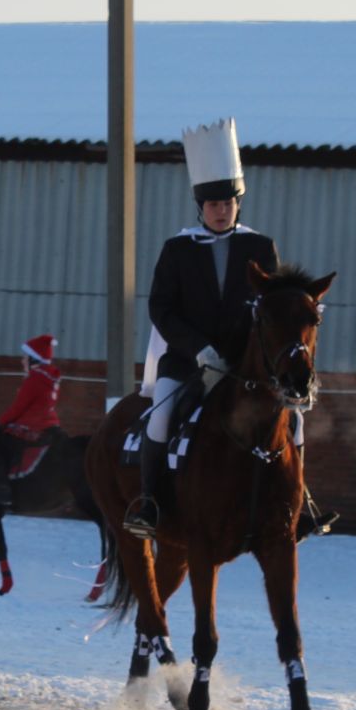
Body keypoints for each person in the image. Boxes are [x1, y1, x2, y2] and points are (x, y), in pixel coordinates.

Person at [122, 118, 281, 539]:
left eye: (228, 203)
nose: (221, 210)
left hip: (246, 366)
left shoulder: (260, 248)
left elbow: (274, 309)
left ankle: (298, 506)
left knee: (293, 420)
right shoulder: (178, 249)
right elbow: (161, 307)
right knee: (160, 420)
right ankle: (150, 504)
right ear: (200, 207)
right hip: (188, 362)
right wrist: (199, 350)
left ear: (237, 204)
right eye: (213, 205)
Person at [0, 333, 61, 507]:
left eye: (25, 357)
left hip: (32, 426)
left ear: (34, 359)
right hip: (49, 423)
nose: (22, 361)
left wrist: (2, 423)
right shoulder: (50, 377)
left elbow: (19, 407)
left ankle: (2, 490)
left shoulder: (35, 378)